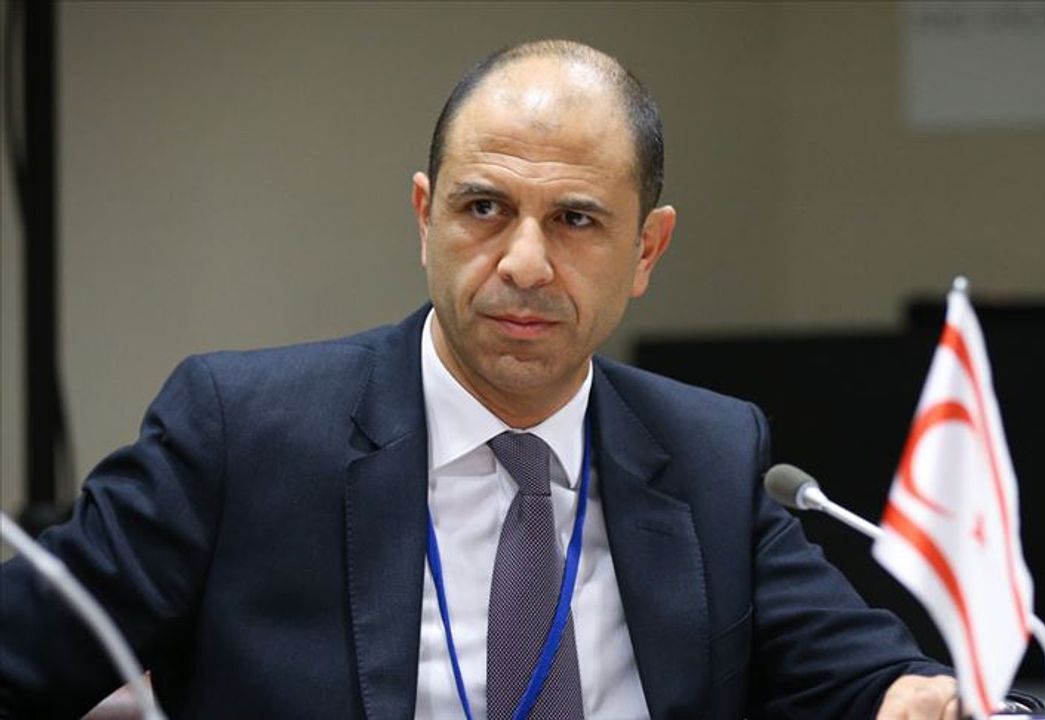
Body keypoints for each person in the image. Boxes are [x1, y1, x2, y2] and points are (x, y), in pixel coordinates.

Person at [0, 40, 957, 719]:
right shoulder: (242, 435)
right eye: (485, 208)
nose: (525, 263)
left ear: (646, 250)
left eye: (576, 220)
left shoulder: (707, 452)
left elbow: (868, 680)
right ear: (425, 219)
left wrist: (924, 699)